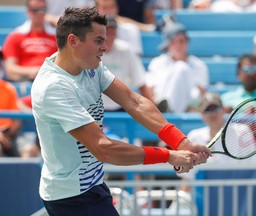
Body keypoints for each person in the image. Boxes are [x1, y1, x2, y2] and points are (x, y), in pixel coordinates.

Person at [31, 7, 211, 215]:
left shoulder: (90, 66)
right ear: (73, 41)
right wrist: (169, 156)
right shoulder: (55, 87)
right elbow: (103, 148)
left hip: (92, 185)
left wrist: (181, 141)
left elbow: (133, 101)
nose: (105, 47)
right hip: (71, 198)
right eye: (98, 40)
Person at [179, 92, 256, 192]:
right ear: (201, 114)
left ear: (223, 110)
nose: (212, 114)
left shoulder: (242, 131)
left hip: (238, 194)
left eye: (215, 109)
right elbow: (187, 179)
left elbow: (253, 169)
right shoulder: (194, 137)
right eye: (207, 110)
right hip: (204, 199)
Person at [146, 22, 209, 113]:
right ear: (168, 45)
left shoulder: (199, 65)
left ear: (187, 42)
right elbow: (150, 90)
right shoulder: (158, 62)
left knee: (181, 67)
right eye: (173, 42)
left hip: (189, 107)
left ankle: (169, 110)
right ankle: (168, 109)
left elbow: (201, 94)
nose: (178, 46)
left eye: (181, 41)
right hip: (159, 106)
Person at [101, 15, 154, 111]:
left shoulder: (126, 50)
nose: (109, 36)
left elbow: (141, 82)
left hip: (120, 107)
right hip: (94, 110)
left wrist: (153, 110)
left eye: (112, 32)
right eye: (107, 32)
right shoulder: (90, 51)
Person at [2, 0, 58, 82]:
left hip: (52, 80)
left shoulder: (56, 36)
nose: (40, 13)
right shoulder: (16, 35)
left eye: (43, 9)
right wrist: (31, 71)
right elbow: (10, 69)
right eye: (36, 10)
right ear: (28, 11)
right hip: (25, 81)